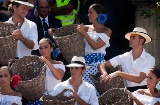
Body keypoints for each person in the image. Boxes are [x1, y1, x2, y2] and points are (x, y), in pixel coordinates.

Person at [99, 27, 155, 92]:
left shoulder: (150, 59)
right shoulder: (124, 56)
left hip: (144, 92)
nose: (130, 40)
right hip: (126, 93)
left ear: (141, 41)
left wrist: (119, 73)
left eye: (133, 37)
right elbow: (102, 64)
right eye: (130, 38)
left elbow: (139, 79)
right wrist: (104, 73)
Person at [76, 3, 112, 95]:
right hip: (85, 62)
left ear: (98, 15)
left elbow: (95, 46)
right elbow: (72, 33)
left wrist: (84, 33)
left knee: (94, 92)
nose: (88, 15)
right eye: (88, 12)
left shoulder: (107, 31)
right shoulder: (87, 28)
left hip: (98, 65)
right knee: (82, 91)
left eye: (91, 12)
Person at [28, 38, 66, 105]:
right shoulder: (36, 65)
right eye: (40, 48)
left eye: (46, 47)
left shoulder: (59, 64)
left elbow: (59, 76)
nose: (43, 50)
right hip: (40, 99)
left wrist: (47, 62)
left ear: (51, 49)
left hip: (55, 98)